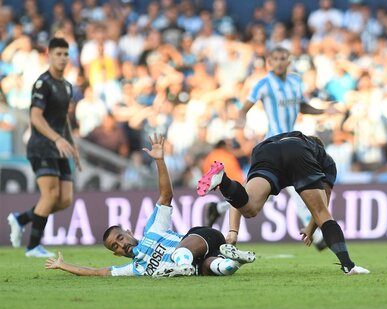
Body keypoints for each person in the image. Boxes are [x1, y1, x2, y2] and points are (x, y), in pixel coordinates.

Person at [44, 133, 255, 277]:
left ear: (128, 232)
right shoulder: (136, 268)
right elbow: (99, 272)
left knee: (180, 255)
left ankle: (182, 266)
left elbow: (166, 195)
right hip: (201, 260)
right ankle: (235, 259)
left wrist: (159, 161)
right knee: (215, 268)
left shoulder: (153, 229)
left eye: (119, 238)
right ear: (116, 254)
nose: (121, 245)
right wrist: (64, 266)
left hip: (201, 237)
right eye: (115, 247)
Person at [204, 46, 329, 250]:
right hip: (273, 145)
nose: (279, 62)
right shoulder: (263, 84)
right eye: (276, 59)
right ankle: (317, 236)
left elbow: (302, 106)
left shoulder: (296, 82)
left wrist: (323, 110)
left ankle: (218, 208)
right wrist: (241, 123)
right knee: (296, 187)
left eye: (283, 58)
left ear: (289, 60)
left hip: (292, 143)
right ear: (270, 62)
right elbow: (244, 108)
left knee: (262, 196)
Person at [197, 131, 369, 275]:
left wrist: (233, 231)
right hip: (298, 151)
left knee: (249, 208)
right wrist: (311, 228)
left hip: (264, 149)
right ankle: (348, 266)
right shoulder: (324, 158)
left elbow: (240, 200)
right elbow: (323, 206)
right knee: (323, 215)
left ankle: (224, 180)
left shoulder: (285, 139)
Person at [7, 37, 82, 257]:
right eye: (58, 54)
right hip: (41, 146)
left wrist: (72, 146)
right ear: (49, 56)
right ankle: (32, 247)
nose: (62, 58)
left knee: (65, 199)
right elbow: (36, 118)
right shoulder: (43, 83)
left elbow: (64, 120)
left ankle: (20, 219)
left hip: (59, 148)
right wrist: (57, 139)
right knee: (49, 195)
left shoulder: (67, 86)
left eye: (65, 54)